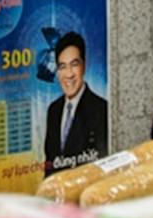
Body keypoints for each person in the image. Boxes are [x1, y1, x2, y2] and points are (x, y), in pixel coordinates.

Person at [42, 31, 108, 175]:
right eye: (62, 67)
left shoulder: (101, 109)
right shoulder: (53, 110)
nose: (69, 74)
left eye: (74, 64)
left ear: (84, 66)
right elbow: (49, 164)